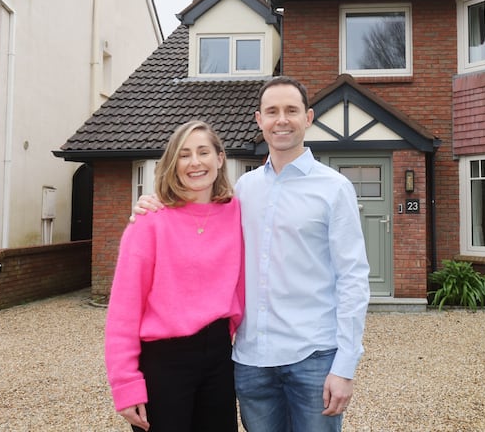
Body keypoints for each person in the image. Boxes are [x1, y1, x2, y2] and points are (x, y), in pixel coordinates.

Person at [135, 76, 371, 432]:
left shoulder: (334, 189)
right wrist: (150, 205)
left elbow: (353, 279)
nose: (281, 120)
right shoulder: (243, 190)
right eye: (272, 111)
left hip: (313, 358)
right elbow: (194, 216)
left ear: (308, 118)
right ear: (258, 119)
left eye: (291, 111)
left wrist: (345, 366)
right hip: (251, 361)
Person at [106, 120, 245, 432]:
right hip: (164, 362)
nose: (195, 162)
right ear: (173, 163)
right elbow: (123, 311)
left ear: (220, 158)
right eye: (184, 155)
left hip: (219, 355)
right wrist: (125, 384)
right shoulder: (149, 222)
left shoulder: (236, 211)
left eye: (203, 152)